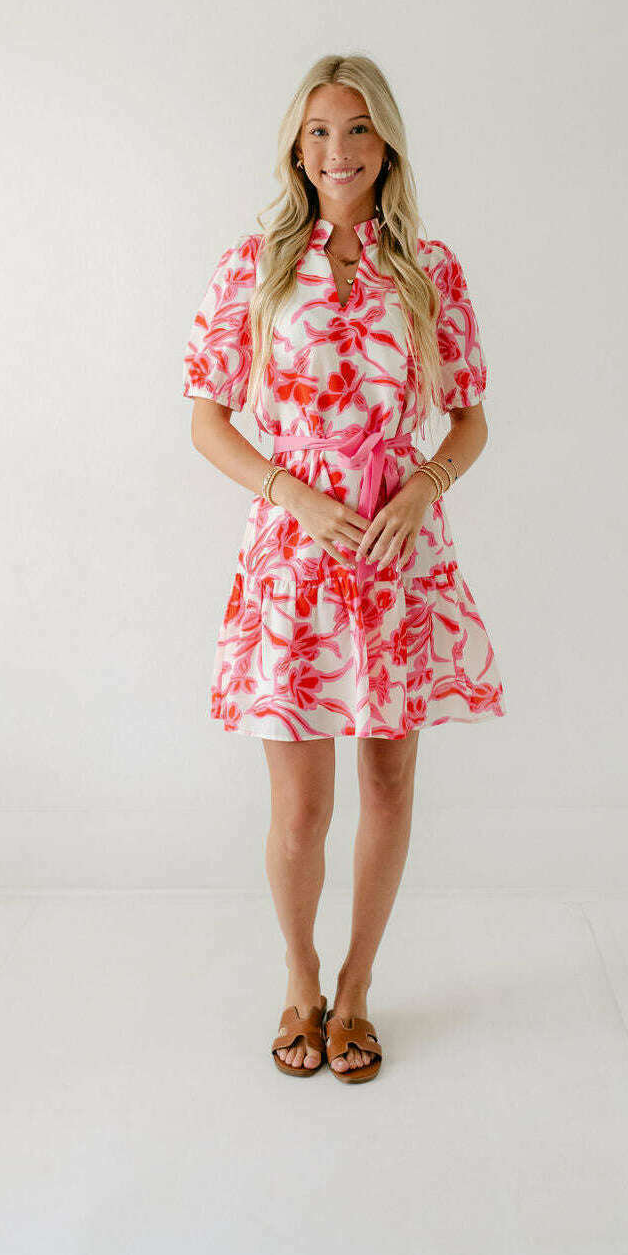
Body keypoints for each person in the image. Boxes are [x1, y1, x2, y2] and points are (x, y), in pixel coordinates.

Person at [182, 54, 506, 1084]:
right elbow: (206, 420)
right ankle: (300, 979)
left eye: (358, 128)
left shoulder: (431, 269)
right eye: (319, 131)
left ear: (387, 144)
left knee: (390, 779)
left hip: (398, 552)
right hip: (297, 554)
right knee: (301, 805)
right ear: (296, 146)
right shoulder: (254, 267)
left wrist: (423, 487)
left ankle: (358, 988)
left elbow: (469, 417)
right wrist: (292, 493)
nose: (338, 150)